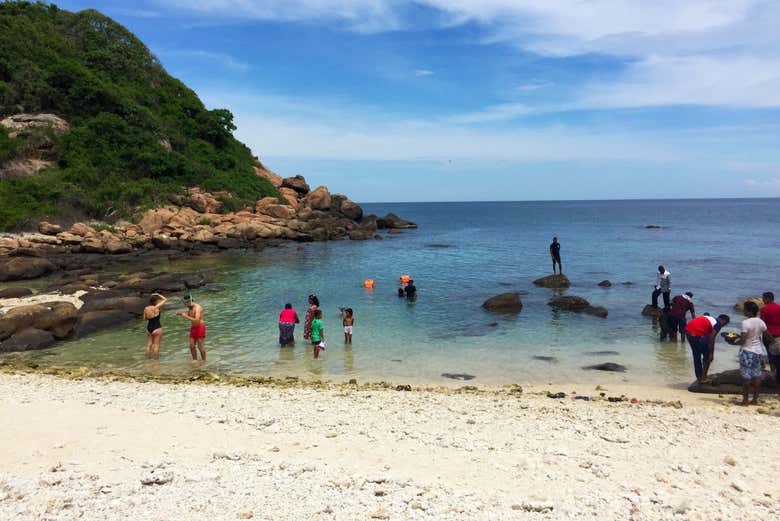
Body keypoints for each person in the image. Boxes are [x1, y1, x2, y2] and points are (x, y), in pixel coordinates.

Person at [685, 313, 730, 384]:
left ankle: (700, 377)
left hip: (688, 331)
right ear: (723, 320)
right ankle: (703, 378)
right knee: (708, 357)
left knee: (696, 355)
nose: (724, 326)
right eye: (725, 324)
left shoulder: (710, 319)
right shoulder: (718, 323)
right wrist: (711, 353)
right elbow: (712, 337)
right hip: (697, 334)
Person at [738, 301, 767, 406]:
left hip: (747, 351)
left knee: (746, 377)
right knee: (757, 376)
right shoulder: (761, 321)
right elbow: (766, 334)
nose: (743, 311)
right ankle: (754, 400)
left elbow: (743, 340)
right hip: (758, 351)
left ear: (749, 311)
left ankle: (745, 401)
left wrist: (734, 341)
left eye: (744, 309)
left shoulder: (745, 323)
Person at [759, 291, 780, 389]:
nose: (762, 300)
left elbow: (762, 325)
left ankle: (773, 376)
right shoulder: (779, 307)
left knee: (771, 357)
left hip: (769, 336)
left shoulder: (764, 309)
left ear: (767, 299)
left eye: (763, 298)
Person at [176, 294, 206, 361]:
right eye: (184, 303)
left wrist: (185, 316)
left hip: (200, 327)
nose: (185, 305)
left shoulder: (197, 308)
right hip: (193, 328)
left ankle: (204, 361)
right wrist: (180, 314)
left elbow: (197, 320)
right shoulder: (190, 307)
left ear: (190, 301)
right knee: (191, 346)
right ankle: (194, 360)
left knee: (200, 346)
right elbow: (190, 313)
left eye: (186, 303)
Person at [143, 293, 167, 360]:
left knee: (148, 345)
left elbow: (144, 319)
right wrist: (158, 295)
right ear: (155, 301)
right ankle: (156, 361)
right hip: (157, 327)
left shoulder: (146, 308)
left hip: (149, 328)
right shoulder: (156, 307)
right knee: (156, 346)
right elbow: (165, 299)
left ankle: (147, 360)